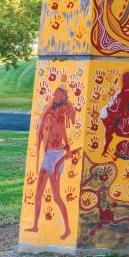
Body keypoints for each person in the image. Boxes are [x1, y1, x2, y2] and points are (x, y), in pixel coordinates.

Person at [26, 87, 76, 239]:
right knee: (38, 194)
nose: (54, 95)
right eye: (54, 93)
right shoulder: (50, 109)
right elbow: (43, 127)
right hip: (48, 155)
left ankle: (67, 228)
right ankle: (35, 225)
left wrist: (67, 146)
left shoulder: (62, 110)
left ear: (62, 97)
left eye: (57, 94)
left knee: (56, 196)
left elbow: (62, 129)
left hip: (56, 155)